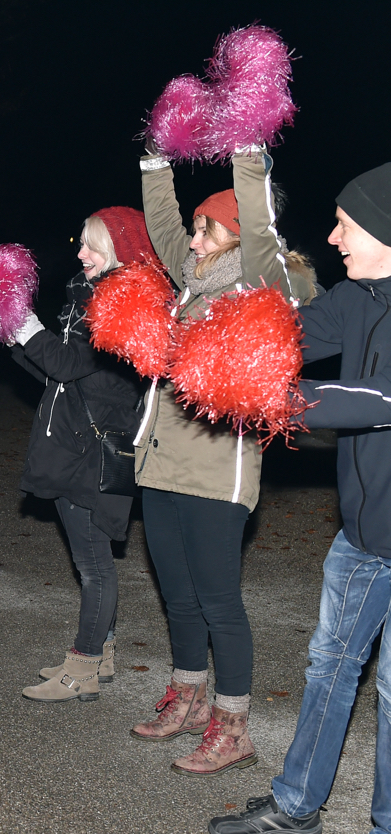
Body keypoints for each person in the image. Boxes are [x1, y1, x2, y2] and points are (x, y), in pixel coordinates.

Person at [209, 163, 391, 833]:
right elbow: (289, 334)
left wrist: (283, 400)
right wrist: (212, 347)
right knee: (329, 671)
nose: (335, 237)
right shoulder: (358, 298)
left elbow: (379, 397)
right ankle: (296, 810)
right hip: (363, 538)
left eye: (348, 224)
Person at [131, 143, 315, 775]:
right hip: (160, 466)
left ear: (234, 235)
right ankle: (186, 694)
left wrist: (246, 153)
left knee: (217, 600)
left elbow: (261, 228)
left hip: (217, 472)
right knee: (177, 595)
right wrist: (156, 161)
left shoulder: (259, 284)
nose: (193, 235)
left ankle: (233, 725)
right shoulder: (194, 282)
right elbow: (160, 227)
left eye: (206, 226)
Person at [9, 207, 151, 703]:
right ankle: (103, 652)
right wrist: (17, 340)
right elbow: (61, 378)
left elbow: (72, 365)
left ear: (118, 251)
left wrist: (29, 329)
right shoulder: (86, 301)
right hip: (75, 444)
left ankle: (84, 668)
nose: (80, 253)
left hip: (95, 451)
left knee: (93, 565)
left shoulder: (127, 305)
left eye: (92, 245)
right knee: (92, 560)